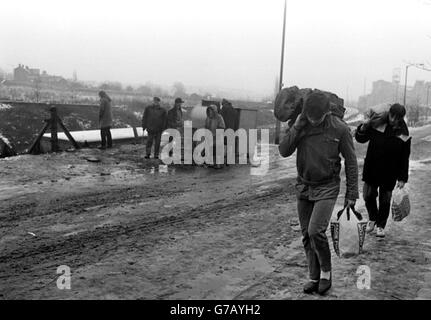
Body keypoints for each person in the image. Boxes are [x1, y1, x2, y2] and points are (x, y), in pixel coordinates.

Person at [279, 91, 359, 295]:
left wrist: (352, 194)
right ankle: (313, 276)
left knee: (316, 231)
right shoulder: (301, 124)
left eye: (318, 118)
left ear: (327, 112)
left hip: (327, 187)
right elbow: (284, 150)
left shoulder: (339, 129)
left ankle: (325, 272)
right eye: (310, 117)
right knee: (306, 235)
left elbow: (351, 162)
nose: (314, 122)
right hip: (304, 186)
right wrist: (296, 126)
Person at [355, 103, 411, 238]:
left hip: (390, 171)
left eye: (397, 118)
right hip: (372, 167)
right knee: (368, 195)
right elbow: (361, 138)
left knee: (385, 200)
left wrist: (402, 177)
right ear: (389, 113)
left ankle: (381, 225)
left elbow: (405, 156)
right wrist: (362, 128)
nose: (393, 120)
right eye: (392, 116)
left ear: (401, 118)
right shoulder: (378, 123)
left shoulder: (403, 131)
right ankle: (372, 218)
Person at [205, 105, 225, 169]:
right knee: (210, 150)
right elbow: (206, 126)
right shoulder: (208, 118)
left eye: (211, 111)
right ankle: (211, 163)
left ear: (214, 111)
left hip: (217, 137)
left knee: (217, 150)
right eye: (209, 111)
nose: (210, 112)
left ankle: (218, 164)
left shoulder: (219, 117)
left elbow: (222, 126)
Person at [220, 99, 239, 163]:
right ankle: (229, 159)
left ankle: (222, 159)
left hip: (225, 129)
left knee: (223, 143)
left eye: (222, 104)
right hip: (232, 129)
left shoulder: (224, 108)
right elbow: (236, 122)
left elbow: (220, 117)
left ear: (224, 103)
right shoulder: (234, 110)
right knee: (229, 144)